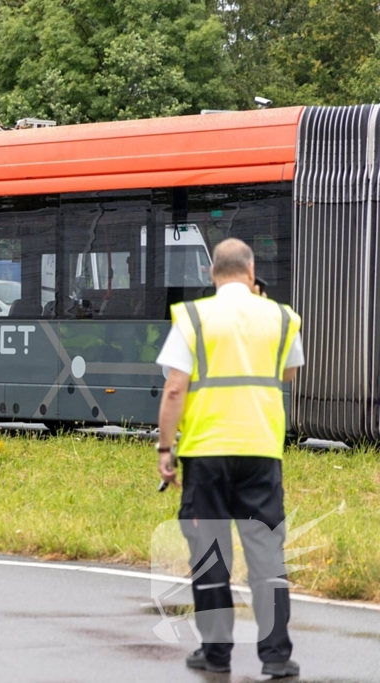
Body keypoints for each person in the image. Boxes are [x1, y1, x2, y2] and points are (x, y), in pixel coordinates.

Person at [155, 238, 303, 679]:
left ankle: (216, 654)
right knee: (266, 558)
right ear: (252, 269)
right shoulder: (279, 315)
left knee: (211, 556)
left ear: (211, 273)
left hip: (207, 455)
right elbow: (288, 372)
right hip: (261, 453)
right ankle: (276, 657)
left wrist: (166, 449)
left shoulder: (195, 317)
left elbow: (175, 388)